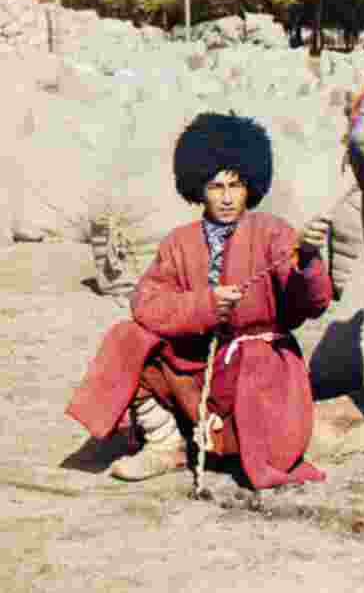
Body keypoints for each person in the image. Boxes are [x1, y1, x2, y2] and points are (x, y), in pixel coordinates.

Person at [66, 112, 334, 488]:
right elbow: (146, 303)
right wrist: (204, 306)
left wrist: (306, 258)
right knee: (130, 338)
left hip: (259, 365)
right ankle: (165, 444)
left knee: (261, 449)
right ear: (197, 188)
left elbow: (312, 303)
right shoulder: (179, 242)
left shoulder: (275, 233)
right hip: (194, 363)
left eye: (236, 186)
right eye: (215, 186)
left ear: (251, 186)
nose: (226, 198)